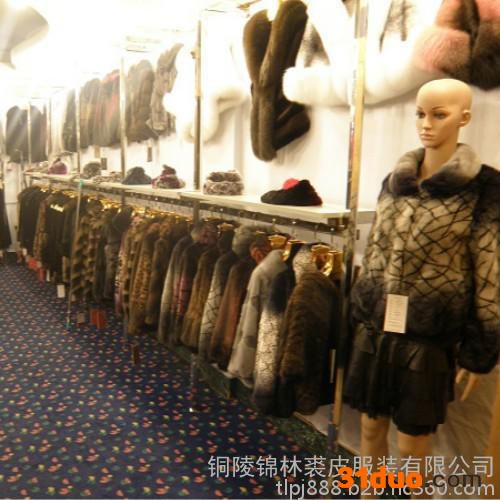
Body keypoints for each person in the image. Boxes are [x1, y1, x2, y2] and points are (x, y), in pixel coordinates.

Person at [343, 79, 499, 493]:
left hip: (429, 337)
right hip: (377, 328)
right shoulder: (395, 181)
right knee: (370, 429)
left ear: (464, 117)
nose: (426, 124)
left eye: (439, 114)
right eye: (420, 114)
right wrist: (361, 310)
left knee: (413, 443)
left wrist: (482, 345)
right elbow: (374, 252)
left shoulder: (484, 188)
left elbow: (490, 269)